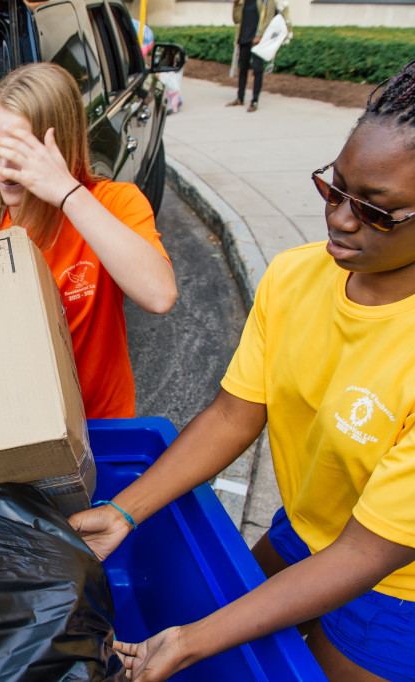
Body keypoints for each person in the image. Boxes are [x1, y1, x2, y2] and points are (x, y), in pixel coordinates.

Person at [69, 60, 415, 682]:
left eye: (377, 210)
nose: (339, 217)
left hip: (399, 588)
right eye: (334, 188)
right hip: (307, 529)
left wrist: (188, 643)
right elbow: (234, 415)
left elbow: (367, 552)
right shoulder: (295, 276)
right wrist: (122, 512)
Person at [0, 62, 177, 419]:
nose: (4, 171)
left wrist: (68, 193)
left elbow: (159, 295)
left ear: (61, 149)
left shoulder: (113, 204)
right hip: (10, 429)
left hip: (98, 427)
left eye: (23, 155)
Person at [228, 0, 290, 112]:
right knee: (243, 69)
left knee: (257, 70)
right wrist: (236, 5)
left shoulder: (266, 1)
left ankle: (254, 100)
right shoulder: (243, 1)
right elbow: (237, 20)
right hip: (244, 39)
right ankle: (239, 98)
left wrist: (260, 36)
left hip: (257, 41)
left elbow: (268, 17)